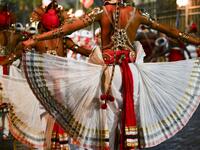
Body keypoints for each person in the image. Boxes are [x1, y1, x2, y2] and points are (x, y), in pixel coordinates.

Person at [4, 0, 200, 149]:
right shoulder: (137, 13)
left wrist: (36, 38)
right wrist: (196, 41)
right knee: (131, 114)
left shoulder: (101, 12)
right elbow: (172, 31)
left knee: (109, 118)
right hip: (134, 73)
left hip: (109, 72)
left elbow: (66, 29)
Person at [0, 0, 92, 149]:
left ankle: (47, 144)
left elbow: (14, 56)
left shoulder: (35, 41)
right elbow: (82, 51)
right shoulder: (64, 40)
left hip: (42, 88)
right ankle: (57, 143)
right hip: (62, 87)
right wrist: (100, 54)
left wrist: (3, 63)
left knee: (44, 120)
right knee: (60, 119)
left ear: (41, 25)